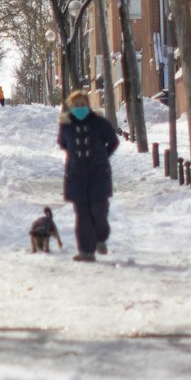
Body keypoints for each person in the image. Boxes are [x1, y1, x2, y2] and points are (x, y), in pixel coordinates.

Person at [57, 87, 119, 262]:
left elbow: (113, 141)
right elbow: (63, 144)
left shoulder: (99, 122)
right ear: (71, 106)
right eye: (76, 104)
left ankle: (101, 237)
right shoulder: (66, 125)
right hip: (76, 176)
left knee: (99, 211)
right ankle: (86, 251)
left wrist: (102, 156)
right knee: (82, 215)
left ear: (88, 105)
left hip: (98, 174)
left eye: (82, 104)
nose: (79, 107)